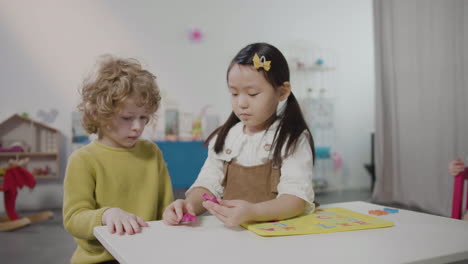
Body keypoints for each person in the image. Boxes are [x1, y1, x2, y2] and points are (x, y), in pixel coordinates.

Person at [163, 42, 316, 227]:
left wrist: (254, 212)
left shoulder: (291, 139)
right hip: (234, 237)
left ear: (282, 92)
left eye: (252, 94)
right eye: (234, 93)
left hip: (277, 235)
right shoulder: (226, 137)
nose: (241, 103)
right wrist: (188, 205)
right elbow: (208, 183)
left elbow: (295, 200)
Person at [63, 55, 174, 263]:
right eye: (127, 118)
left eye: (144, 118)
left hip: (146, 254)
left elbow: (165, 208)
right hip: (102, 259)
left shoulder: (152, 152)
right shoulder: (83, 160)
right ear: (98, 113)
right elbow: (73, 219)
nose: (138, 127)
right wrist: (106, 215)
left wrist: (174, 213)